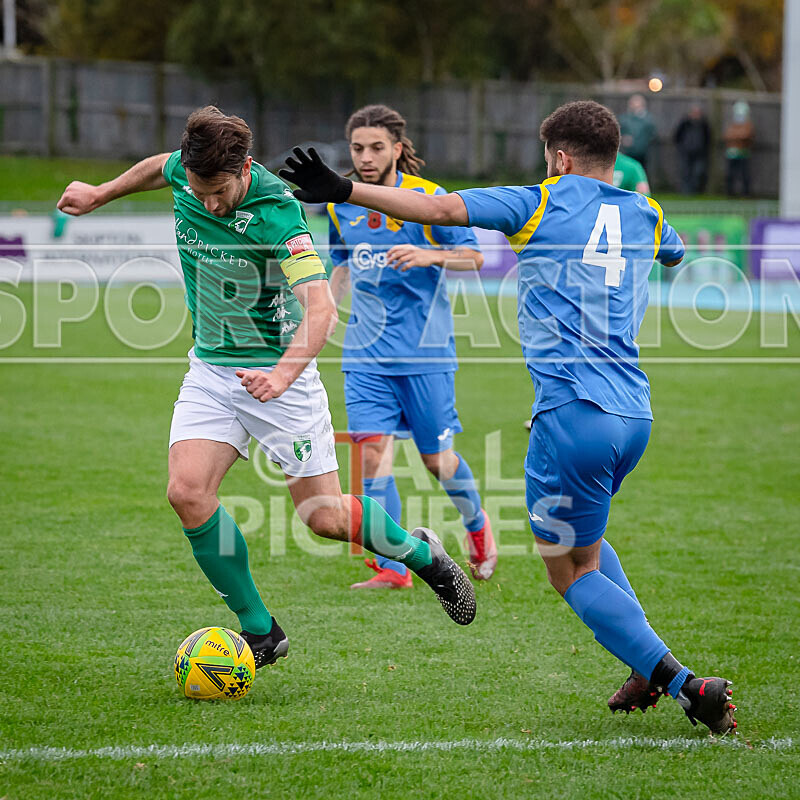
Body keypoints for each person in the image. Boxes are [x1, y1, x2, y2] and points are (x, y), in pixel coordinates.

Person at [280, 100, 737, 735]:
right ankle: (642, 665)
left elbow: (442, 209)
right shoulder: (647, 211)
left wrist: (344, 189)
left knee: (566, 569)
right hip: (635, 414)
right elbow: (676, 255)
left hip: (572, 414)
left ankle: (685, 684)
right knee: (590, 541)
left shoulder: (541, 200)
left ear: (559, 157)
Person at [56, 106, 477, 668]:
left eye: (220, 192)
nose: (208, 202)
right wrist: (101, 193)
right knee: (186, 492)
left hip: (283, 377)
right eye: (199, 190)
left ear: (246, 168)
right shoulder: (189, 170)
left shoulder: (278, 209)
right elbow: (160, 167)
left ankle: (422, 555)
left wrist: (281, 376)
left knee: (324, 518)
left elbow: (322, 309)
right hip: (211, 372)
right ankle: (260, 629)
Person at [328, 104, 497, 589]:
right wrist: (323, 308)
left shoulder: (429, 199)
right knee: (372, 457)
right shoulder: (342, 202)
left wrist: (430, 253)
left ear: (398, 150)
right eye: (357, 148)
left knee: (436, 462)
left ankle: (477, 525)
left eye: (376, 147)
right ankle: (396, 566)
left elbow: (475, 256)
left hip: (426, 353)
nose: (364, 157)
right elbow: (342, 263)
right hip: (365, 353)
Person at [673, 104, 710, 195]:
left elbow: (708, 138)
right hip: (686, 152)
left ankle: (696, 190)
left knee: (698, 172)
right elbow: (677, 136)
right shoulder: (685, 123)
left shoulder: (704, 124)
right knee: (685, 172)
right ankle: (686, 191)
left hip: (700, 153)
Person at [619, 94, 656, 172]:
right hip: (627, 153)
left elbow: (652, 134)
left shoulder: (648, 119)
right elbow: (619, 132)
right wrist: (623, 139)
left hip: (643, 154)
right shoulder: (624, 118)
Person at [724, 100, 754, 197]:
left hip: (743, 153)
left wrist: (737, 135)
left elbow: (745, 135)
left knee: (744, 175)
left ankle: (745, 193)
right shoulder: (732, 125)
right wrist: (738, 135)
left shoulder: (748, 125)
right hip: (731, 153)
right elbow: (728, 136)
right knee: (730, 175)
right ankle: (730, 193)